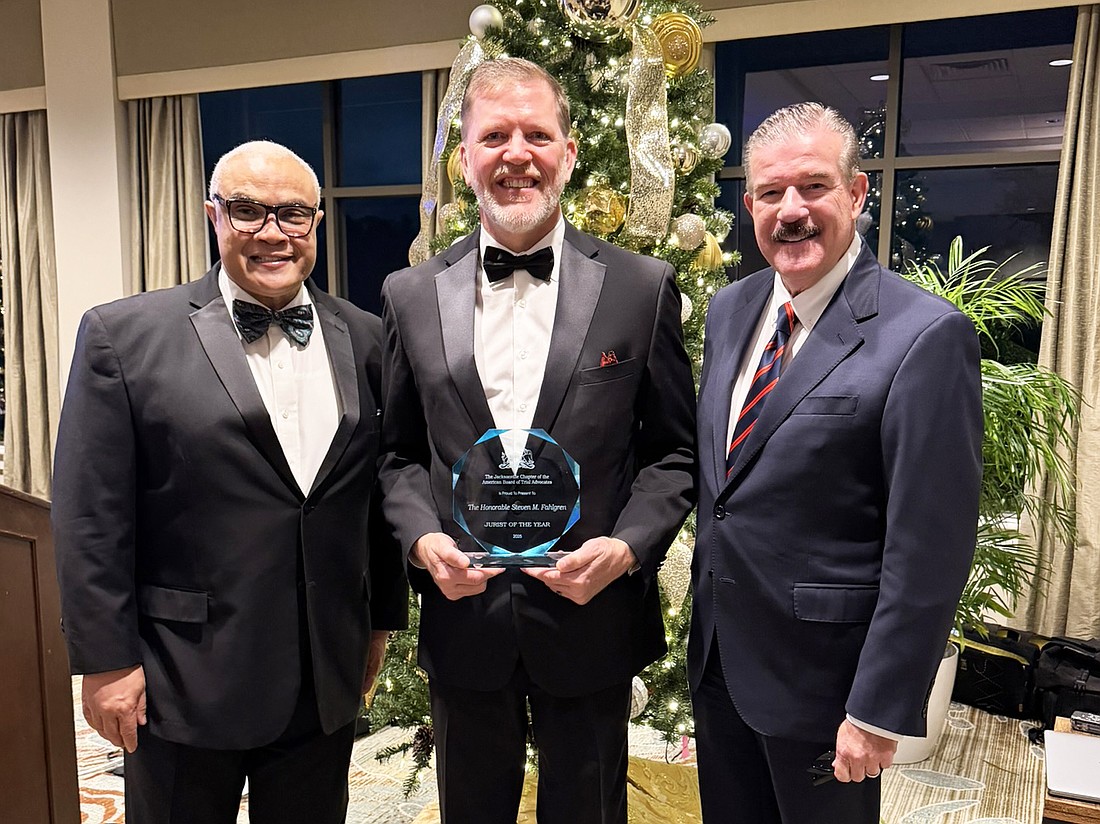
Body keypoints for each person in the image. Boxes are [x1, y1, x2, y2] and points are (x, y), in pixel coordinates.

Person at [378, 58, 696, 824]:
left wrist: (625, 550)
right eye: (494, 136)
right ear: (464, 157)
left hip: (589, 613)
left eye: (535, 135)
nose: (516, 154)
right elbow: (395, 455)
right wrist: (423, 544)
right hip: (467, 614)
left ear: (570, 150)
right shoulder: (410, 295)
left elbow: (674, 455)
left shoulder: (641, 286)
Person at [52, 140, 407, 824]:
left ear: (317, 223)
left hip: (321, 670)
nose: (273, 232)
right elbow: (91, 516)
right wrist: (104, 661)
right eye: (248, 211)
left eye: (293, 214)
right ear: (214, 216)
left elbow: (377, 492)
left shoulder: (365, 337)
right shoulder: (123, 337)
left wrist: (379, 622)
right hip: (182, 676)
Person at [688, 102, 983, 823]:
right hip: (722, 660)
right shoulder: (731, 309)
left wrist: (879, 709)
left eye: (813, 187)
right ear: (749, 203)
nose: (791, 211)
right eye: (769, 193)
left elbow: (930, 548)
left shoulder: (925, 336)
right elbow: (729, 488)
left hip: (828, 687)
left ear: (855, 194)